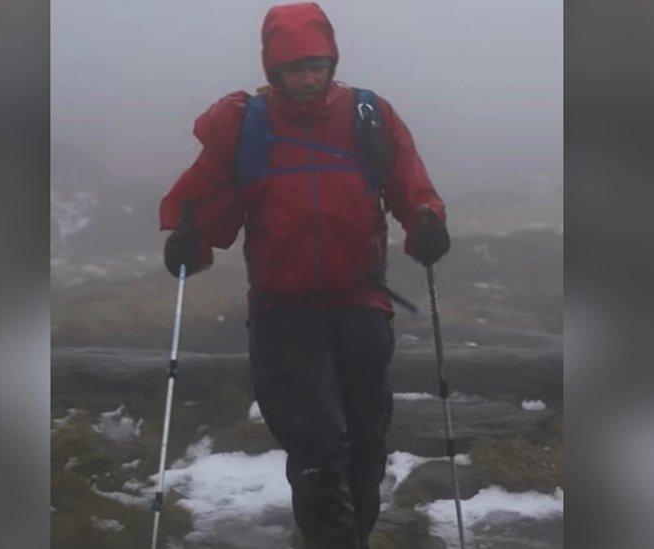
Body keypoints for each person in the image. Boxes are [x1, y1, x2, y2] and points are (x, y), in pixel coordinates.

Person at [158, 3, 450, 547]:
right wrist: (188, 240)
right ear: (273, 69)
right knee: (316, 444)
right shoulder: (247, 124)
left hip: (361, 303)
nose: (308, 77)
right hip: (283, 310)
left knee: (365, 442)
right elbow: (205, 200)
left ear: (332, 60)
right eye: (295, 68)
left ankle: (346, 536)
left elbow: (410, 183)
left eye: (317, 64)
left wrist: (427, 221)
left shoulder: (369, 115)